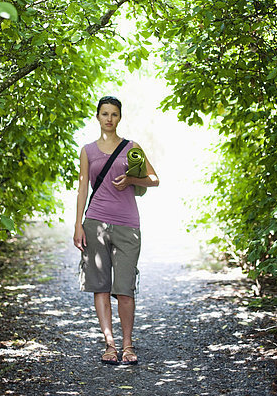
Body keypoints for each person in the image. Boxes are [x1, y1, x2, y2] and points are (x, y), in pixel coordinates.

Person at [73, 95, 159, 365]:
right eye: (104, 113)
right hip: (95, 221)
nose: (109, 118)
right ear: (97, 116)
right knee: (100, 286)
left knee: (124, 288)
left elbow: (154, 179)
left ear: (119, 117)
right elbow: (83, 187)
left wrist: (132, 179)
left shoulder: (131, 147)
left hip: (127, 224)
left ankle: (128, 345)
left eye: (114, 114)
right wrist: (78, 225)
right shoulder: (87, 150)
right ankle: (109, 345)